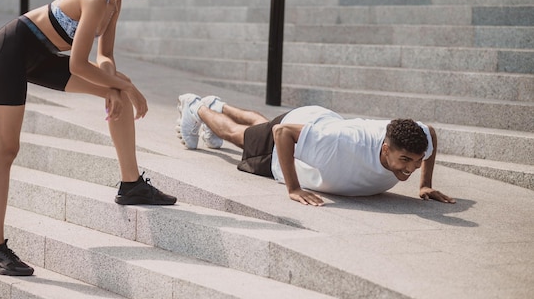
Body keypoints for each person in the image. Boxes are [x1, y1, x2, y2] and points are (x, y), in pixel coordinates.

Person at [0, 0, 176, 277]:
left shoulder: (115, 3)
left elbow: (106, 56)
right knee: (5, 149)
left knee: (116, 91)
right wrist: (128, 88)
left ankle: (131, 185)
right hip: (8, 53)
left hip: (41, 56)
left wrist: (115, 86)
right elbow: (77, 64)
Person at [176, 93, 455, 207]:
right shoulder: (344, 143)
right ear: (385, 148)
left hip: (315, 125)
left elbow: (429, 131)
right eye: (405, 160)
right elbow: (282, 132)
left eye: (417, 162)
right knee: (238, 136)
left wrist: (425, 184)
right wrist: (293, 188)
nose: (410, 168)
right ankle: (196, 106)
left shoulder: (416, 139)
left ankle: (217, 104)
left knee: (259, 124)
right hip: (293, 141)